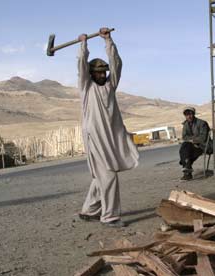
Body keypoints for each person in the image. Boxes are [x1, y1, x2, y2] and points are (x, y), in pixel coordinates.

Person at [77, 27, 139, 227]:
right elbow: (80, 66)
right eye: (98, 73)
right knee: (109, 176)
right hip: (95, 139)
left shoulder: (110, 86)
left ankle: (89, 210)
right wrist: (83, 45)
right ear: (91, 74)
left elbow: (117, 64)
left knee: (101, 176)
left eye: (104, 72)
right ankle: (109, 217)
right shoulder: (87, 88)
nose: (102, 75)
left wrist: (108, 41)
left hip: (110, 138)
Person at [179, 107, 211, 180]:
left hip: (203, 146)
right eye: (187, 115)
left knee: (186, 152)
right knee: (184, 147)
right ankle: (187, 168)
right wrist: (193, 140)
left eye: (190, 114)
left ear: (193, 114)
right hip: (192, 146)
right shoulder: (186, 124)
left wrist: (192, 140)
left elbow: (203, 138)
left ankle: (187, 173)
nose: (189, 116)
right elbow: (184, 137)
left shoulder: (202, 123)